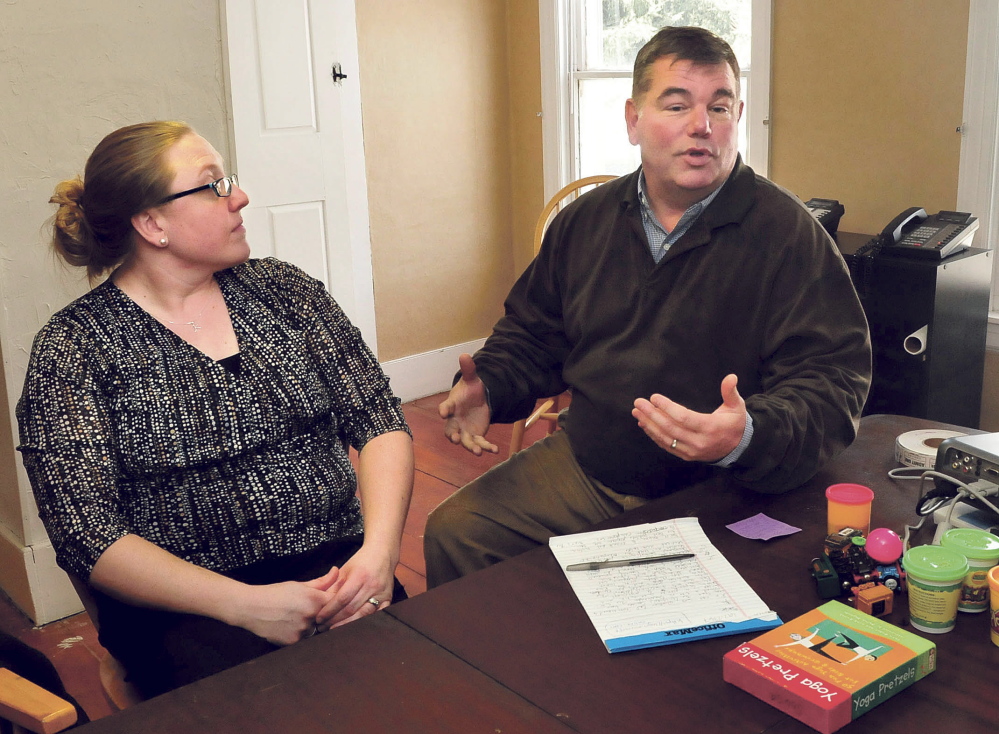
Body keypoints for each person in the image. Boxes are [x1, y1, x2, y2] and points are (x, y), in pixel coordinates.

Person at [426, 26, 871, 587]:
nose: (701, 126)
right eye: (677, 104)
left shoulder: (789, 237)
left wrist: (748, 434)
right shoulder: (584, 223)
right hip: (590, 469)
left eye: (720, 106)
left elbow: (833, 381)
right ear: (633, 119)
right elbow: (536, 333)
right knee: (457, 529)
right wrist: (489, 385)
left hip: (720, 492)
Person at [16, 121, 414, 697]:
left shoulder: (284, 291)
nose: (240, 195)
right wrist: (245, 606)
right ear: (152, 224)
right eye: (213, 184)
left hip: (342, 574)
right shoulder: (75, 349)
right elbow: (87, 533)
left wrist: (378, 557)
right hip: (191, 607)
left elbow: (378, 421)